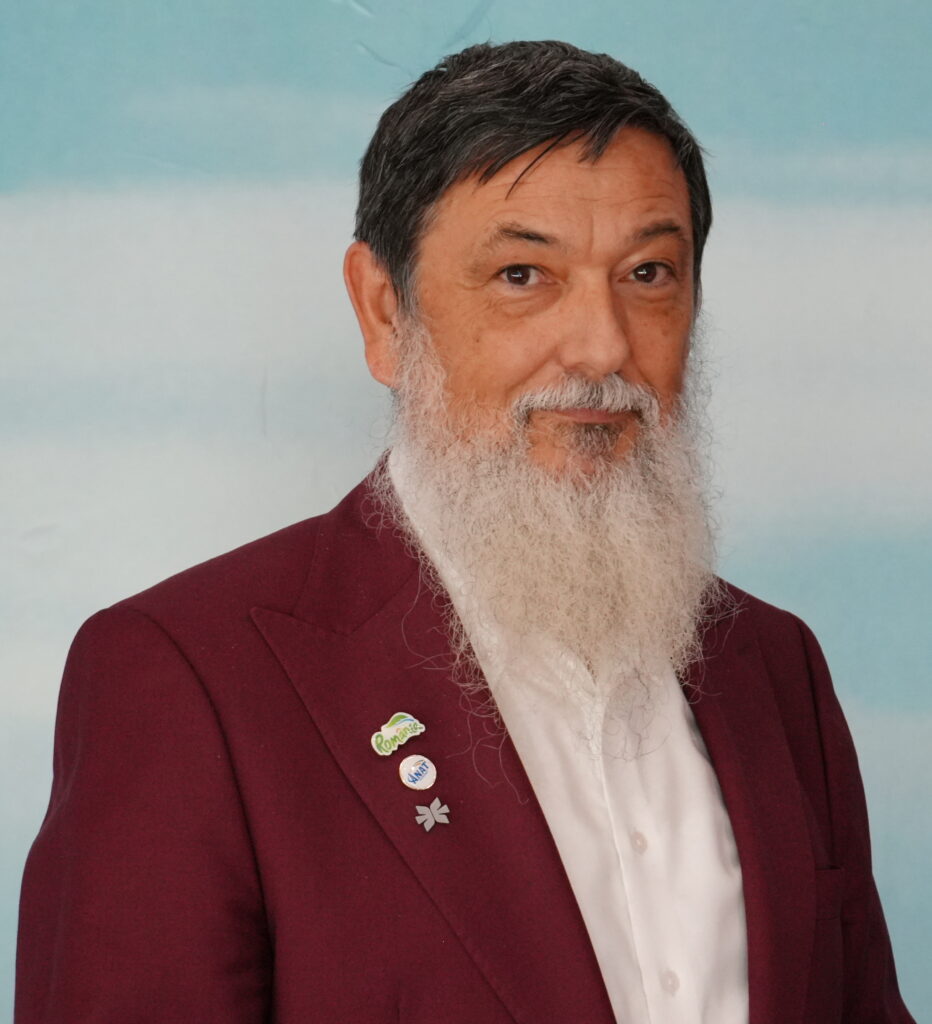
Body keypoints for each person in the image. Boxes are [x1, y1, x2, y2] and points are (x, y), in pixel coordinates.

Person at [15, 40, 914, 1024]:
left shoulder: (772, 669)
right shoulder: (188, 677)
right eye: (523, 274)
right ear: (384, 311)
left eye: (648, 272)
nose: (602, 346)